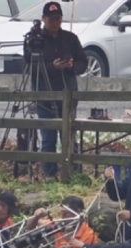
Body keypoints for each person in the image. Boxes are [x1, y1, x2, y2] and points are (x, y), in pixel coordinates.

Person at [27, 1, 88, 180]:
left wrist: (71, 65)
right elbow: (29, 67)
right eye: (51, 19)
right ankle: (50, 176)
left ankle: (73, 175)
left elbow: (83, 63)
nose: (55, 22)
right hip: (44, 98)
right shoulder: (34, 40)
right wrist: (52, 67)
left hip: (67, 95)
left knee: (69, 138)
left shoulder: (70, 38)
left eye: (58, 19)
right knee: (48, 140)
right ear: (44, 19)